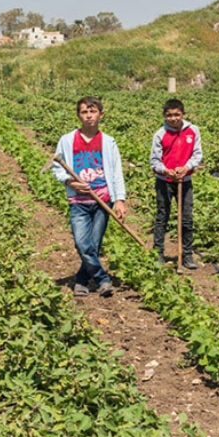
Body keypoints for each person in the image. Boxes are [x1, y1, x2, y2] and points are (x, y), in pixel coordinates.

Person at [51, 96, 127, 298]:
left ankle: (82, 281)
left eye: (92, 112)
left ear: (101, 115)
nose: (88, 116)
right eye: (84, 112)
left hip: (103, 200)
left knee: (94, 244)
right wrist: (69, 181)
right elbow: (57, 167)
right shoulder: (67, 140)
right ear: (78, 115)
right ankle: (103, 279)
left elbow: (116, 171)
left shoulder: (108, 142)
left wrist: (119, 199)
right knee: (82, 244)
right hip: (78, 202)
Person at [149, 98, 203, 270]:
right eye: (169, 115)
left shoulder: (193, 131)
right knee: (162, 217)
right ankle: (158, 253)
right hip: (164, 181)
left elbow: (197, 155)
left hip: (185, 181)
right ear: (164, 116)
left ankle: (186, 254)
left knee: (186, 219)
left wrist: (186, 167)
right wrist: (166, 170)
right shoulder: (160, 134)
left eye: (177, 115)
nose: (173, 118)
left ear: (183, 114)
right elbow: (154, 161)